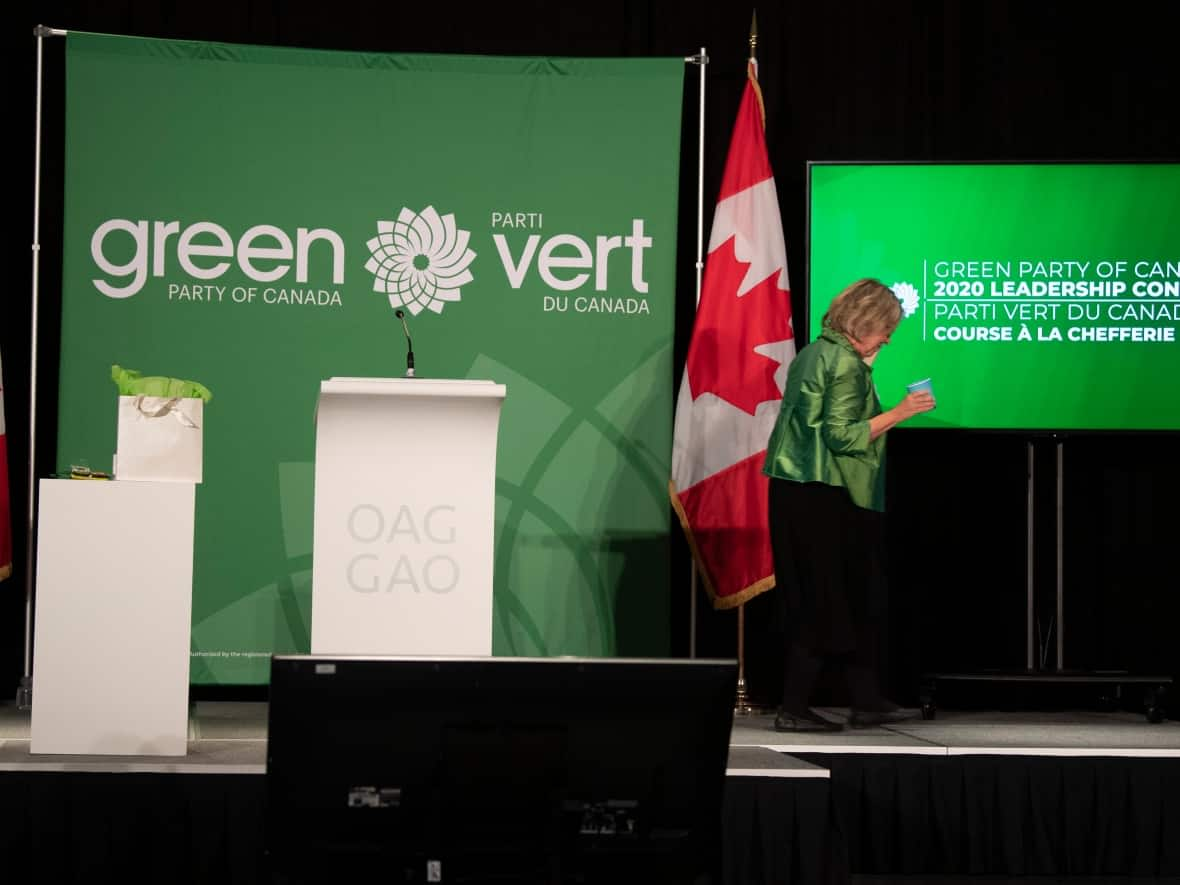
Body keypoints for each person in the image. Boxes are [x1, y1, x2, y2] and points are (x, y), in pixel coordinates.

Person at [763, 278, 935, 732]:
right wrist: (902, 410)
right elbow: (841, 436)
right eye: (885, 328)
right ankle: (794, 709)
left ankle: (865, 700)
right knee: (827, 597)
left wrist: (866, 368)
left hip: (797, 489)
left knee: (851, 592)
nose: (889, 338)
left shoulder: (814, 353)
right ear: (865, 323)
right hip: (824, 492)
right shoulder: (845, 365)